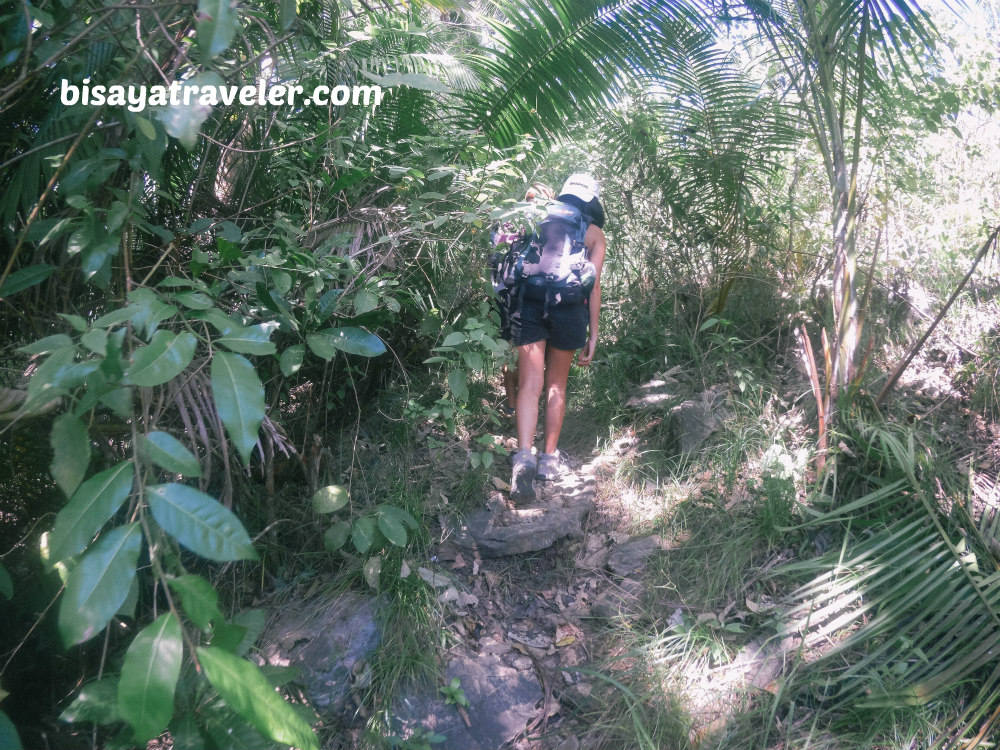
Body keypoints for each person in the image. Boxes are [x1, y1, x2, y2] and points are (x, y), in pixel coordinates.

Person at [508, 173, 607, 500]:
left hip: (530, 304)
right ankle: (549, 460)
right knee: (556, 385)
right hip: (569, 310)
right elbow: (593, 287)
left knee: (530, 383)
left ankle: (524, 456)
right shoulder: (595, 234)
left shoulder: (537, 216)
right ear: (592, 201)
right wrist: (593, 332)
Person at [491, 183, 555, 414]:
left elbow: (495, 258)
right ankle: (531, 405)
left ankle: (512, 404)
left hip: (508, 295)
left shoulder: (509, 221)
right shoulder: (553, 223)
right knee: (540, 351)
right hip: (540, 298)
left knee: (511, 348)